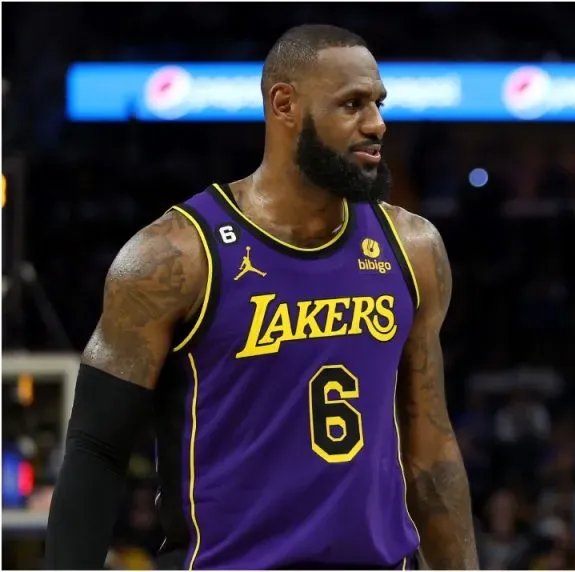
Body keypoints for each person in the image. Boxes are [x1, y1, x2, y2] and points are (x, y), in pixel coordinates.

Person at [45, 24, 478, 570]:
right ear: (284, 104)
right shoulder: (176, 256)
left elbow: (431, 455)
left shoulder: (412, 248)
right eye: (352, 105)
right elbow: (97, 448)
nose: (376, 124)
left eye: (378, 103)